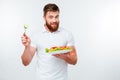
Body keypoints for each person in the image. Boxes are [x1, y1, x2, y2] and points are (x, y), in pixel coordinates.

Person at [21, 3, 77, 80]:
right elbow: (25, 62)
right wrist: (27, 47)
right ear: (44, 18)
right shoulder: (36, 35)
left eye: (56, 17)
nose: (54, 20)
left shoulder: (67, 34)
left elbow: (74, 60)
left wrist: (63, 56)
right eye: (51, 17)